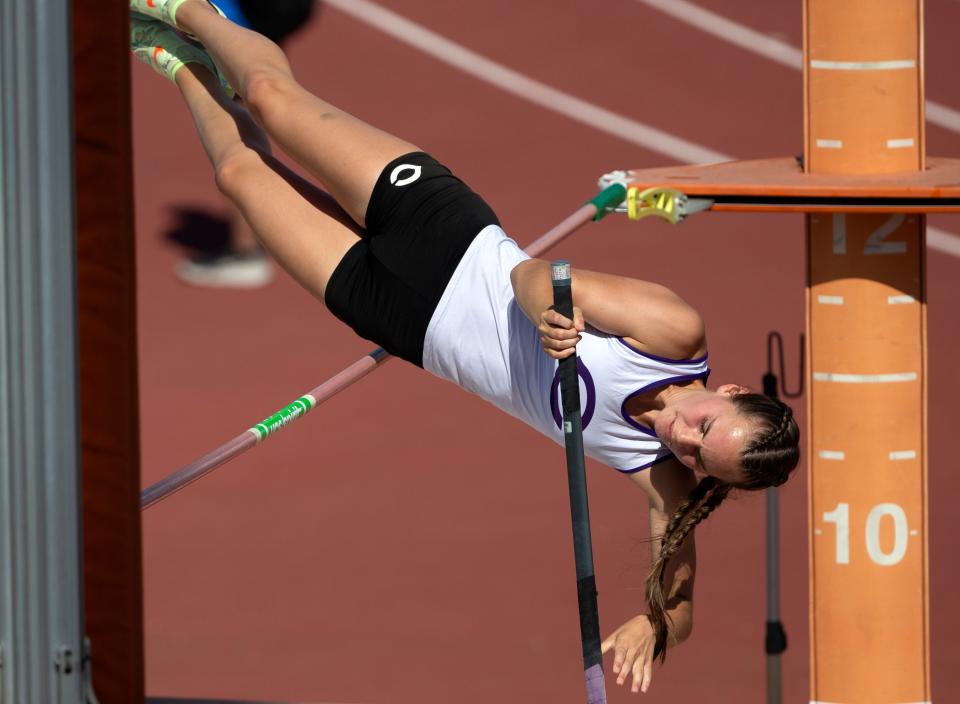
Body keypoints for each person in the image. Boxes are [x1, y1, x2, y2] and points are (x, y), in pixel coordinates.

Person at [130, 1, 800, 694]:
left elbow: (683, 604)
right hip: (443, 234)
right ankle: (189, 12)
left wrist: (653, 627)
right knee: (271, 100)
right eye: (702, 428)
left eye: (696, 457)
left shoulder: (665, 477)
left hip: (405, 321)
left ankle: (175, 60)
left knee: (240, 174)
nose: (681, 440)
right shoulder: (673, 333)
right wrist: (547, 316)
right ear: (728, 393)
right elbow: (535, 275)